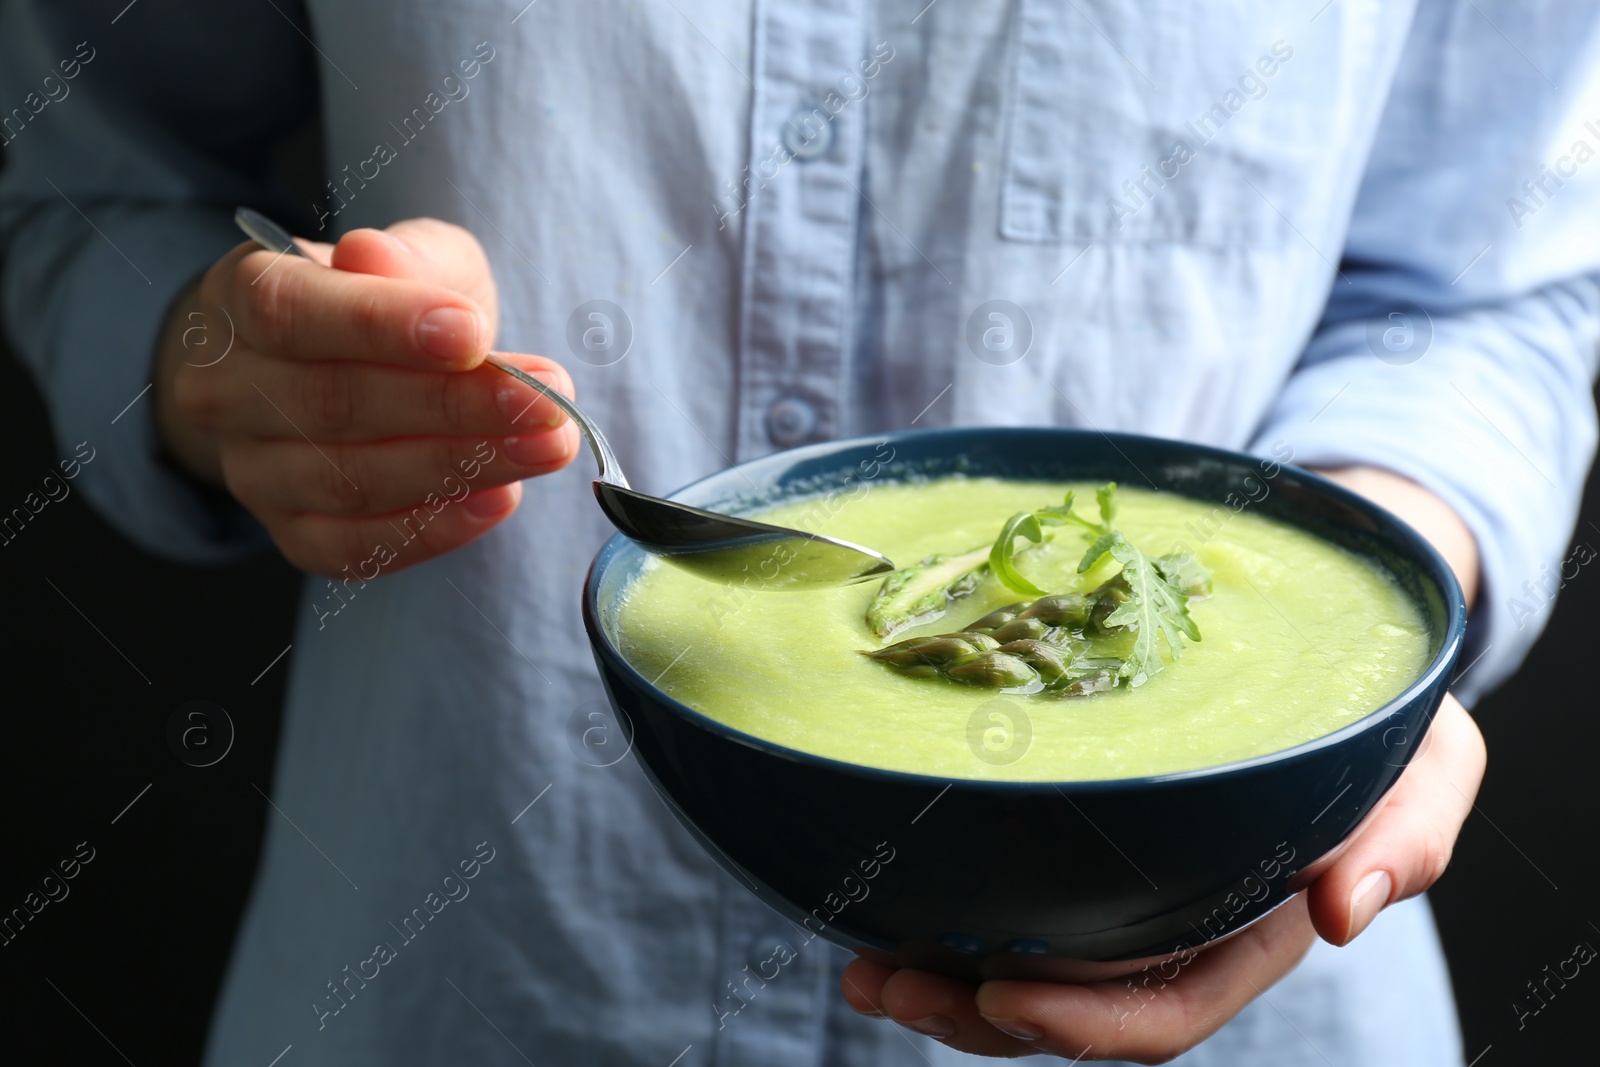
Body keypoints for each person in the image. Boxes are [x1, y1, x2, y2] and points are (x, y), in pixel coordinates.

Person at [2, 1, 1593, 1063]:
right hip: (466, 979)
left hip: (1261, 954)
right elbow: (77, 177)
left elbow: (1495, 285)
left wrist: (1377, 620)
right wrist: (223, 369)